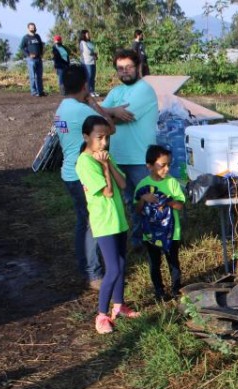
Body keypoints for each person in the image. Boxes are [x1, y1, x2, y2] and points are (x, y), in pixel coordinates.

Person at [54, 65, 117, 290]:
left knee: (83, 221)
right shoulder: (83, 111)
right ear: (85, 85)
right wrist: (94, 103)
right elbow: (110, 128)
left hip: (68, 172)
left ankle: (85, 266)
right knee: (93, 224)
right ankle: (94, 274)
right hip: (85, 174)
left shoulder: (62, 108)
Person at [75, 115, 140, 334]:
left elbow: (122, 183)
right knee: (113, 268)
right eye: (99, 137)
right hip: (104, 223)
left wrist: (107, 162)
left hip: (118, 219)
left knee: (122, 264)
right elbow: (108, 191)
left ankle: (119, 306)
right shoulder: (85, 162)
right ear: (86, 137)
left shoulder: (104, 156)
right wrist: (104, 165)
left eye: (107, 138)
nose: (104, 142)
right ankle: (101, 315)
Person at [101, 49, 158, 250]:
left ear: (139, 67)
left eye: (129, 67)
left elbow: (123, 118)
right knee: (131, 203)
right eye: (120, 68)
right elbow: (98, 117)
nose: (124, 72)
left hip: (140, 158)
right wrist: (113, 111)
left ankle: (155, 241)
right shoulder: (116, 92)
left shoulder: (144, 90)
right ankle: (139, 241)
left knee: (148, 202)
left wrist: (109, 114)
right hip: (119, 158)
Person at [134, 145, 185, 300]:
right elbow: (137, 210)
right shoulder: (143, 185)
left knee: (173, 262)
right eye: (162, 165)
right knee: (154, 263)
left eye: (169, 164)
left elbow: (180, 205)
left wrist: (168, 201)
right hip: (150, 234)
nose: (167, 169)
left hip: (171, 232)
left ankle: (176, 289)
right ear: (149, 166)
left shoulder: (172, 183)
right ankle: (159, 291)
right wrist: (143, 199)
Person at [19, 23, 45, 97]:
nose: (33, 29)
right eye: (31, 28)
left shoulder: (37, 36)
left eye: (34, 27)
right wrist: (28, 55)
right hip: (31, 59)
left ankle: (40, 91)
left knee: (39, 76)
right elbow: (21, 47)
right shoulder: (26, 37)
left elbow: (41, 45)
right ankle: (34, 92)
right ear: (28, 28)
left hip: (38, 58)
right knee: (33, 76)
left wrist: (41, 53)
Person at [79, 30, 98, 97]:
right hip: (86, 62)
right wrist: (94, 53)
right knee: (88, 77)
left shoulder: (90, 42)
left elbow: (94, 50)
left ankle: (92, 91)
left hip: (93, 61)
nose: (89, 35)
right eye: (87, 34)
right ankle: (88, 91)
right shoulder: (82, 42)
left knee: (93, 77)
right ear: (84, 35)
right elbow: (87, 52)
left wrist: (95, 54)